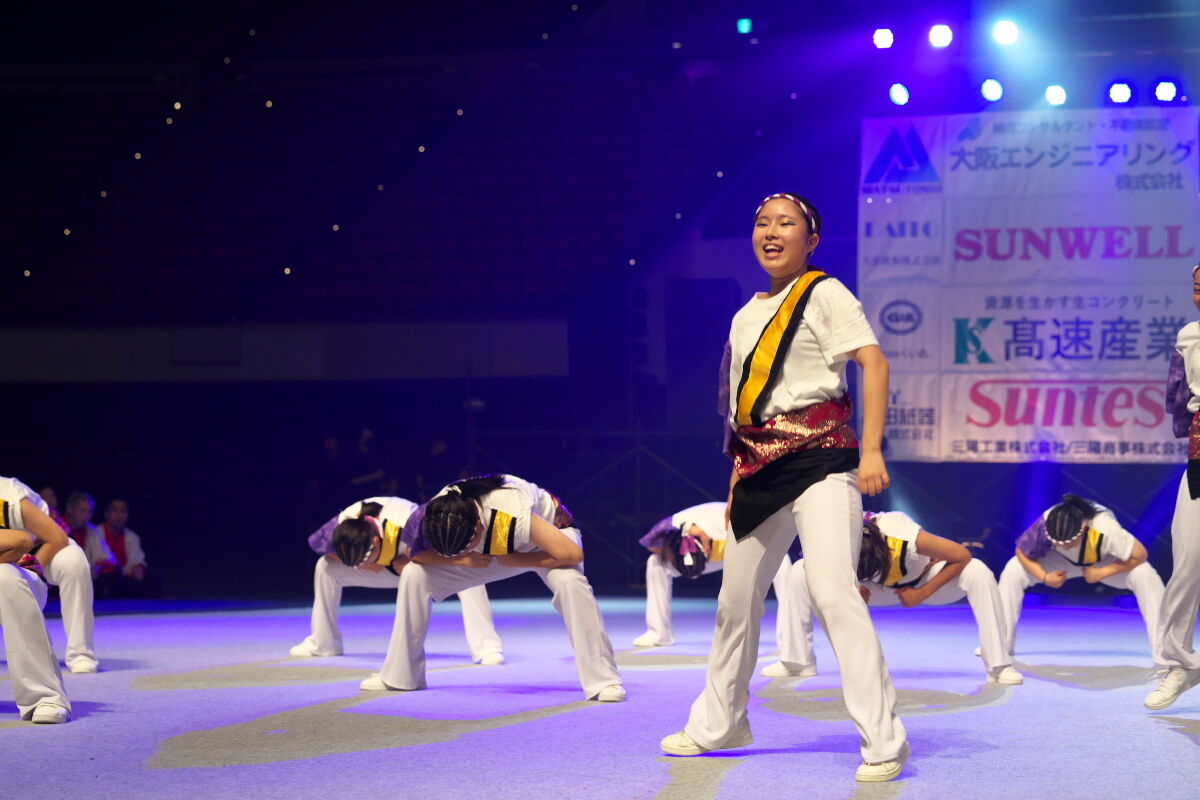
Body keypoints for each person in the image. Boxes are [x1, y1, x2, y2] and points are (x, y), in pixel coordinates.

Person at [659, 193, 907, 782]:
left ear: (810, 240)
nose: (771, 232)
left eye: (785, 223)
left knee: (832, 591)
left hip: (822, 461)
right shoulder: (745, 315)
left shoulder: (825, 293)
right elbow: (743, 409)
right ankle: (719, 723)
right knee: (734, 603)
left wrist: (872, 450)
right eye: (762, 223)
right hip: (758, 470)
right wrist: (736, 475)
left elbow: (874, 363)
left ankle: (884, 740)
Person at [361, 474, 625, 702]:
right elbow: (416, 555)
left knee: (570, 583)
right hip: (490, 554)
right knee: (414, 574)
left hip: (546, 543)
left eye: (468, 542)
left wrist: (517, 560)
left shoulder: (509, 510)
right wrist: (462, 559)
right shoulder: (430, 516)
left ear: (478, 524)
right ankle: (401, 675)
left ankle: (603, 681)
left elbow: (571, 554)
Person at [785, 511, 1023, 685]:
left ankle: (998, 666)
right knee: (799, 570)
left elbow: (962, 555)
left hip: (923, 581)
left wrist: (922, 593)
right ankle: (798, 662)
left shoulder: (901, 532)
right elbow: (819, 570)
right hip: (872, 590)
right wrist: (851, 588)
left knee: (977, 570)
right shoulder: (833, 538)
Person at [290, 495, 503, 665]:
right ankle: (324, 643)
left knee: (467, 574)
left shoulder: (407, 520)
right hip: (387, 569)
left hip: (418, 566)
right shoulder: (343, 524)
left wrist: (459, 560)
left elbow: (438, 548)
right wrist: (370, 565)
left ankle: (486, 647)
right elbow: (320, 546)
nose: (362, 565)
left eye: (366, 559)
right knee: (325, 567)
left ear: (376, 541)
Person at [635, 501, 804, 677]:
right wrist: (677, 551)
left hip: (743, 544)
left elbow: (770, 538)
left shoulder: (731, 522)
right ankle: (659, 633)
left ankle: (790, 645)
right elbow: (650, 543)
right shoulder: (673, 525)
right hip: (706, 554)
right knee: (656, 563)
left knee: (782, 562)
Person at [998, 494, 1165, 665]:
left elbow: (1140, 554)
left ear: (1083, 528)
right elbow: (1021, 550)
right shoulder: (1047, 521)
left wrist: (1102, 572)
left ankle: (1165, 649)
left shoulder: (1104, 526)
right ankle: (1001, 645)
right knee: (1014, 568)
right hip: (1062, 563)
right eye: (1058, 542)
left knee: (1144, 574)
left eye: (1068, 542)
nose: (1063, 546)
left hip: (1102, 562)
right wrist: (1044, 577)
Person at [1147, 263, 1200, 710]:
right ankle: (1180, 663)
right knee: (1188, 564)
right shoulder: (1189, 336)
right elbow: (1179, 404)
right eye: (1198, 289)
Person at [0, 475, 73, 722]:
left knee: (4, 576)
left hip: (22, 579)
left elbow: (22, 540)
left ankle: (46, 697)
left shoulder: (7, 494)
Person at [42, 490, 103, 673]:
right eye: (82, 510)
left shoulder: (15, 496)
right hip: (10, 557)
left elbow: (59, 537)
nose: (86, 515)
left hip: (40, 554)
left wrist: (34, 567)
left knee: (75, 562)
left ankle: (81, 653)